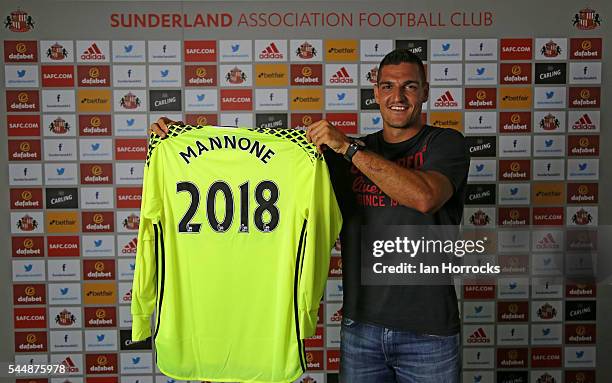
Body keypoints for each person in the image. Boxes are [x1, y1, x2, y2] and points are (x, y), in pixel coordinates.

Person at [148, 49, 469, 383]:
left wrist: (349, 149)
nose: (397, 96)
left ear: (426, 91)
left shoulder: (445, 144)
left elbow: (425, 197)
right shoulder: (345, 154)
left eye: (410, 87)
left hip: (429, 332)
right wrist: (183, 142)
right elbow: (265, 168)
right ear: (376, 93)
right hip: (361, 328)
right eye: (387, 86)